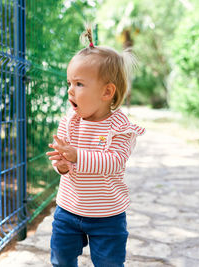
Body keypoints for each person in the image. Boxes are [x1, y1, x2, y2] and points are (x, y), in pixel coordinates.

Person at [46, 26, 145, 267]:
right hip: (68, 210)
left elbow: (115, 162)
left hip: (107, 215)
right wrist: (62, 166)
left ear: (107, 92)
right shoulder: (69, 121)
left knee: (109, 263)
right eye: (69, 82)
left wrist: (77, 155)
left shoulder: (119, 126)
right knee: (60, 259)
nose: (70, 89)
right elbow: (65, 163)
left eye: (79, 84)